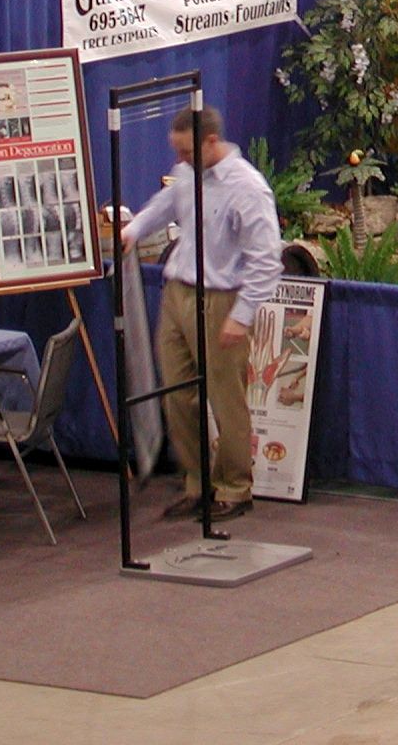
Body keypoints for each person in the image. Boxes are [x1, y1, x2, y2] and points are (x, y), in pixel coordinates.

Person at [118, 106, 282, 520]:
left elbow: (267, 261)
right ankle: (197, 482)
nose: (181, 160)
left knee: (227, 399)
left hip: (220, 299)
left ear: (211, 142)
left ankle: (234, 487)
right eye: (177, 152)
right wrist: (134, 230)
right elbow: (165, 204)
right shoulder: (188, 174)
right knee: (177, 394)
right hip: (177, 293)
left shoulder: (248, 188)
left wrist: (242, 314)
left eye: (187, 151)